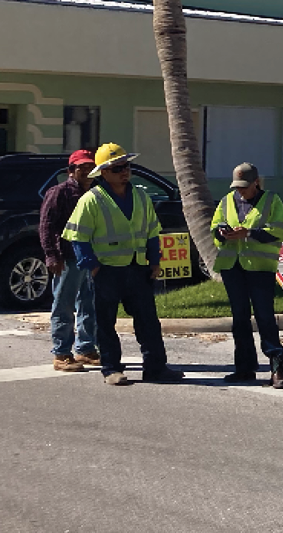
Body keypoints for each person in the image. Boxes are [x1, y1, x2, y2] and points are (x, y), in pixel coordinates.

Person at [61, 143, 183, 386]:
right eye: (117, 168)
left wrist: (155, 260)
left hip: (138, 268)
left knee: (148, 321)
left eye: (126, 166)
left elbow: (152, 232)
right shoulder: (91, 200)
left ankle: (156, 368)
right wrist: (92, 266)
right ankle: (111, 369)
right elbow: (78, 237)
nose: (124, 172)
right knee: (105, 323)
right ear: (104, 172)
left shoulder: (141, 196)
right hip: (106, 270)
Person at [212, 162, 283, 387]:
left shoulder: (271, 200)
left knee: (265, 317)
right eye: (237, 186)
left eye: (245, 186)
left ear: (256, 182)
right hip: (232, 266)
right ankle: (244, 369)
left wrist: (249, 232)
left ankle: (277, 369)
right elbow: (214, 226)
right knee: (240, 319)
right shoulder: (227, 200)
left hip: (260, 268)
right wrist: (221, 232)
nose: (241, 191)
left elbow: (281, 231)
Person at [39, 149, 100, 371]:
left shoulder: (96, 193)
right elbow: (46, 226)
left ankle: (85, 349)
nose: (86, 172)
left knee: (89, 303)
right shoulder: (59, 193)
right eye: (81, 168)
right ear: (71, 171)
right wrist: (52, 256)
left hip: (91, 257)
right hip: (67, 258)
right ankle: (62, 353)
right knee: (63, 305)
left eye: (90, 168)